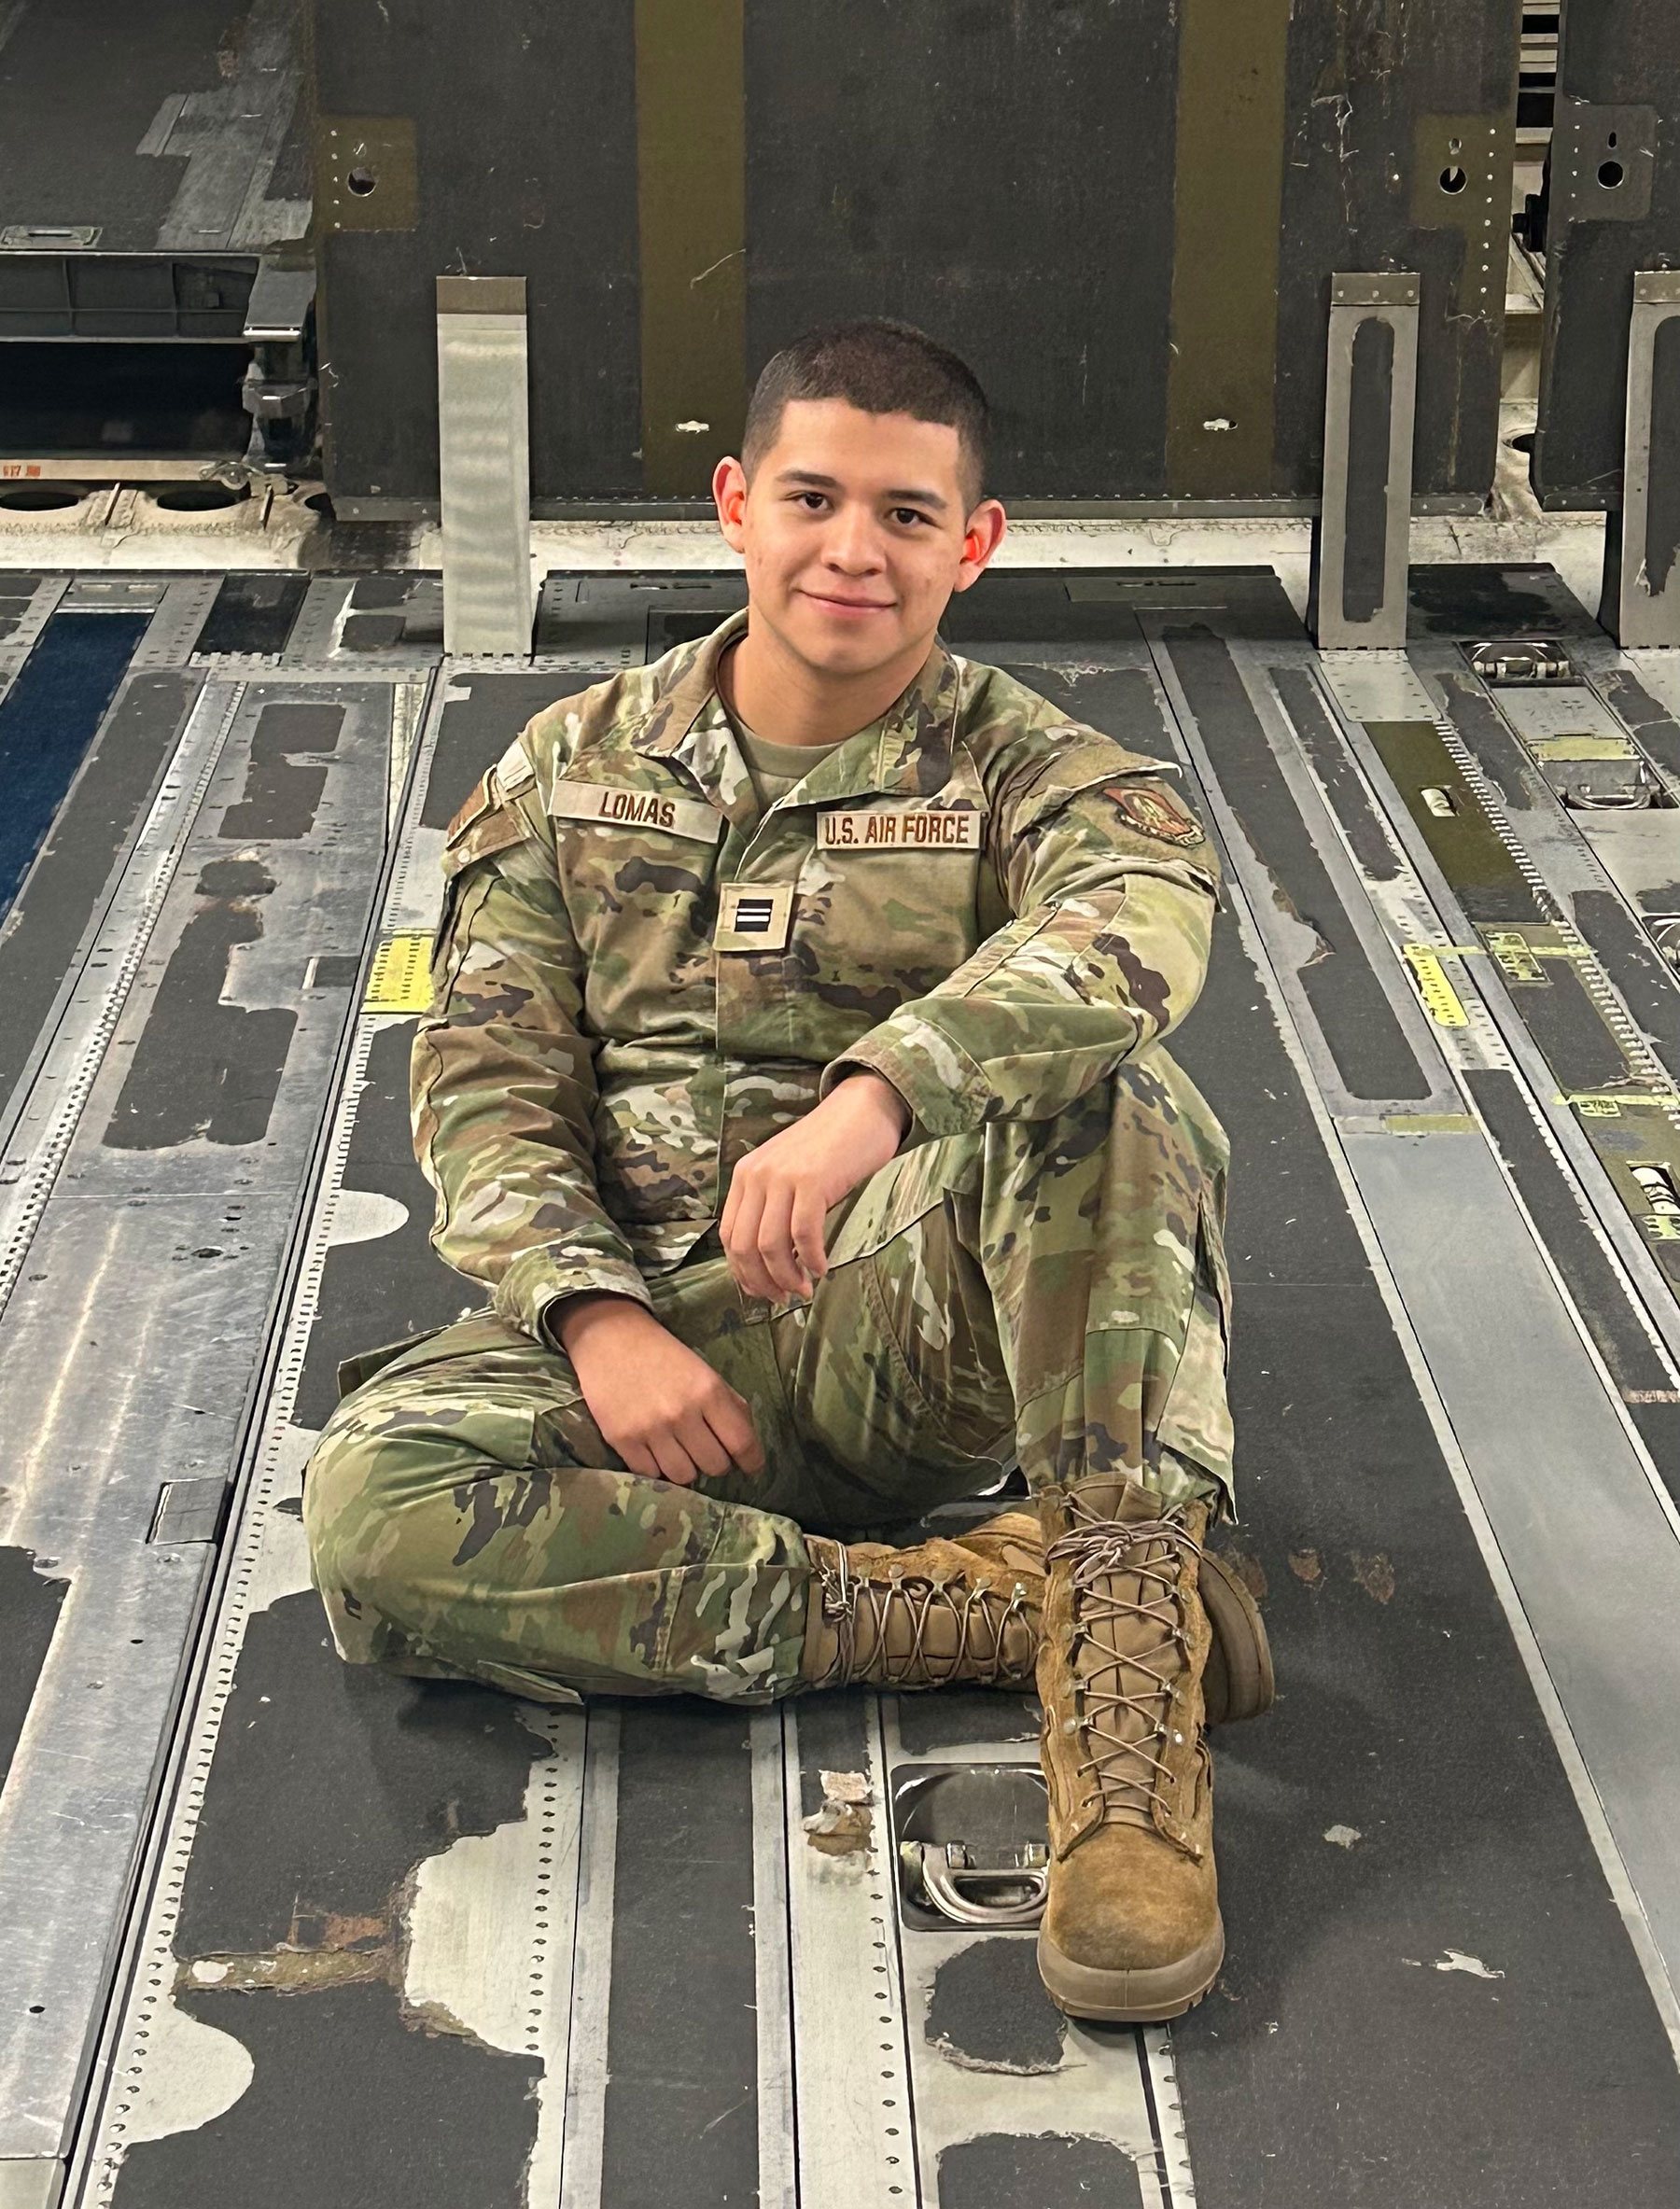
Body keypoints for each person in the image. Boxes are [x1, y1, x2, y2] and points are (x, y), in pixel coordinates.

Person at [303, 318, 1270, 2023]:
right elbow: (485, 1084)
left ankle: (1127, 1729)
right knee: (374, 1509)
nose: (853, 551)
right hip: (646, 1352)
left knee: (1120, 1101)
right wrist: (596, 1314)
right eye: (814, 499)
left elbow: (1139, 923)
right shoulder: (570, 767)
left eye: (908, 514)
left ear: (974, 543)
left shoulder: (1034, 771)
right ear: (736, 503)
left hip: (892, 1327)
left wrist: (879, 1096)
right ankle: (981, 1611)